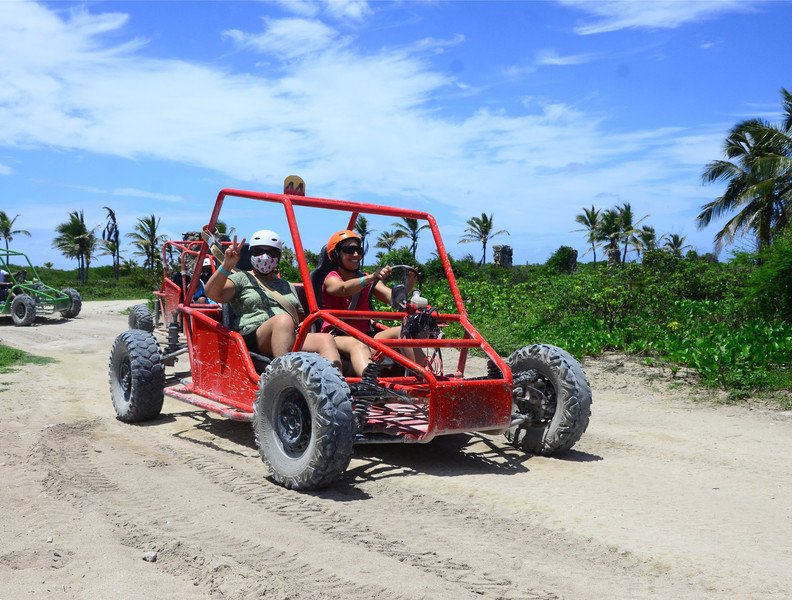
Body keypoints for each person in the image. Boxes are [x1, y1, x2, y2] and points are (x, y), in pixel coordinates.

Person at [204, 229, 341, 368]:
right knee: (283, 320)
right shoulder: (242, 278)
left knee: (326, 339)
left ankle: (338, 385)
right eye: (258, 251)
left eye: (271, 252)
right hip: (254, 334)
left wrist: (301, 324)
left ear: (278, 256)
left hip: (287, 333)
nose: (264, 257)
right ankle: (286, 377)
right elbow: (212, 294)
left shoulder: (286, 285)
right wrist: (227, 265)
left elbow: (299, 317)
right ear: (251, 254)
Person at [319, 229, 423, 376]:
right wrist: (370, 278)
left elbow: (392, 298)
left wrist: (406, 288)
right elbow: (343, 289)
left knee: (405, 330)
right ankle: (370, 385)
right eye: (349, 250)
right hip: (337, 336)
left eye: (358, 250)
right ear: (336, 255)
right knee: (357, 343)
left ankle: (426, 377)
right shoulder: (331, 278)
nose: (355, 255)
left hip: (367, 336)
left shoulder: (367, 279)